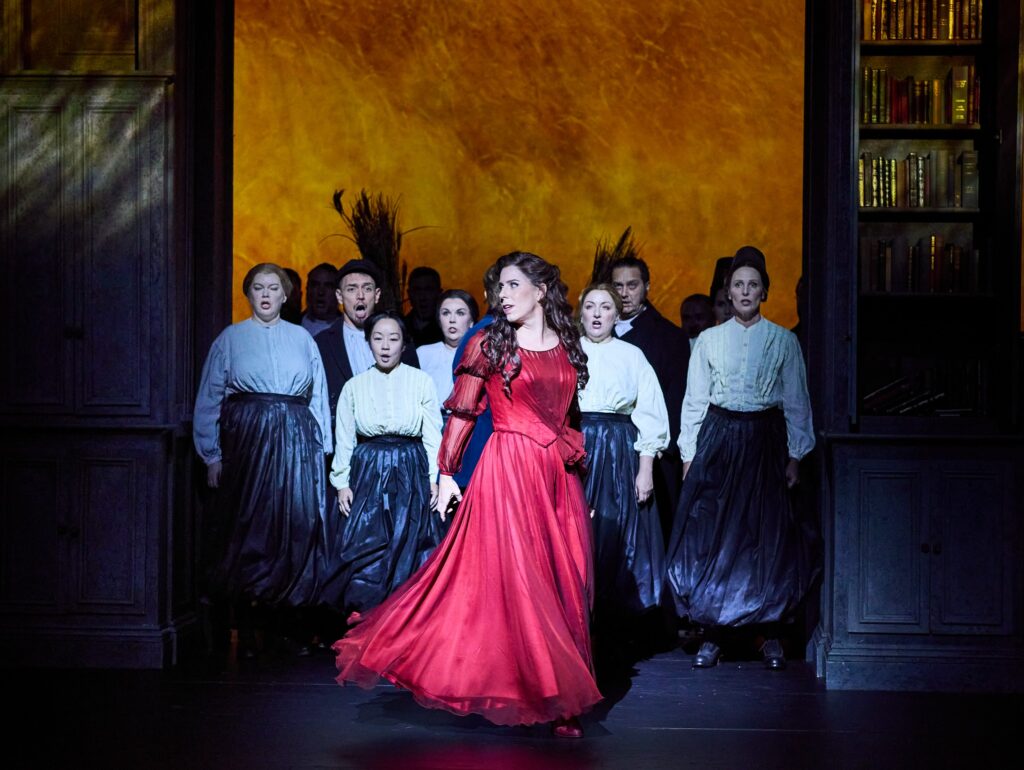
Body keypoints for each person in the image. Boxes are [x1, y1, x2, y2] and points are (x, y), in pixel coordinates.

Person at [333, 251, 600, 738]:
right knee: (520, 579)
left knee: (567, 577)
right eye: (499, 286)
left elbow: (569, 416)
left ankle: (563, 691)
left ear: (540, 291)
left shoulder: (565, 342)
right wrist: (447, 472)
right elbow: (463, 412)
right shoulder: (488, 343)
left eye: (513, 285)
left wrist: (578, 471)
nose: (503, 294)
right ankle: (537, 691)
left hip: (558, 476)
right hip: (509, 468)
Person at [665, 246, 817, 672]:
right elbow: (694, 400)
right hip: (720, 440)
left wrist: (795, 455)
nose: (746, 292)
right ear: (728, 293)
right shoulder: (710, 341)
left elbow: (796, 402)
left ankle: (769, 634)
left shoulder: (784, 340)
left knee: (764, 539)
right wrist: (689, 455)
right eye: (738, 285)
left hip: (765, 441)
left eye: (753, 285)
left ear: (764, 292)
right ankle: (713, 634)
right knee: (714, 537)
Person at [193, 262, 331, 657]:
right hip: (247, 444)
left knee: (293, 526)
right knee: (248, 527)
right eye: (258, 287)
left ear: (285, 295)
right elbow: (210, 398)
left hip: (296, 445)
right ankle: (246, 621)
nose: (266, 294)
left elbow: (317, 396)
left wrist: (320, 452)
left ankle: (284, 625)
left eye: (274, 287)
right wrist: (212, 455)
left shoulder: (303, 339)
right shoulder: (231, 339)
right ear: (248, 294)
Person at [322, 311, 444, 614]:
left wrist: (433, 478)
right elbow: (345, 438)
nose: (385, 346)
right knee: (369, 547)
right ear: (369, 343)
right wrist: (342, 483)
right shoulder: (355, 386)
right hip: (369, 469)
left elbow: (432, 434)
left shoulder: (421, 381)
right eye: (378, 338)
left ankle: (403, 626)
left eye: (393, 338)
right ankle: (368, 623)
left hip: (410, 466)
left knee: (410, 545)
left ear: (404, 344)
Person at [577, 284, 669, 656]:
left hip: (618, 450)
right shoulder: (567, 352)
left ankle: (614, 631)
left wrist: (645, 467)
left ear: (617, 316)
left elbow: (649, 411)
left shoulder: (632, 355)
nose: (597, 314)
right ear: (580, 313)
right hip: (578, 447)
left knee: (617, 537)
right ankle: (581, 625)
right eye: (590, 307)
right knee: (579, 534)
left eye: (606, 307)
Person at [610, 256, 690, 532]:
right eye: (617, 285)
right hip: (608, 449)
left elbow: (676, 400)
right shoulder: (595, 332)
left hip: (655, 453)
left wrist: (663, 450)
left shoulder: (670, 337)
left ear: (647, 286)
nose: (624, 293)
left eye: (632, 285)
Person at [316, 258, 419, 416]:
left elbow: (415, 392)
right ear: (339, 296)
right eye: (351, 289)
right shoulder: (322, 344)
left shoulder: (400, 339)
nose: (360, 296)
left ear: (377, 295)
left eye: (367, 289)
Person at [417, 289, 479, 417]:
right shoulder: (423, 354)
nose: (452, 319)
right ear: (439, 320)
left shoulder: (480, 356)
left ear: (472, 322)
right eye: (445, 313)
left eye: (460, 313)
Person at [403, 266, 444, 345]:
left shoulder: (447, 329)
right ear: (409, 294)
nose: (422, 297)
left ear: (439, 294)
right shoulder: (400, 328)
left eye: (428, 290)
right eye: (417, 290)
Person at [301, 262, 342, 337]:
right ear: (308, 290)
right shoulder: (290, 326)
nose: (321, 292)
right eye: (315, 285)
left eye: (328, 286)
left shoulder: (349, 330)